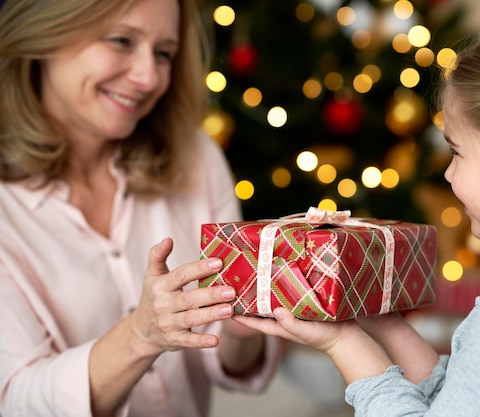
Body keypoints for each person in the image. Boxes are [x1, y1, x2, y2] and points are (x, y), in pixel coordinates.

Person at [234, 17, 480, 417]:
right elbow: (468, 400)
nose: (448, 172)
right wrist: (388, 326)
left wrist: (344, 344)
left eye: (457, 152)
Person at [0, 0, 282, 416]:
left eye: (164, 53)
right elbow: (14, 401)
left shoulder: (197, 156)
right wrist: (141, 335)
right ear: (44, 33)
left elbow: (237, 366)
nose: (149, 77)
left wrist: (242, 332)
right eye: (121, 41)